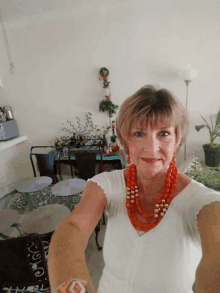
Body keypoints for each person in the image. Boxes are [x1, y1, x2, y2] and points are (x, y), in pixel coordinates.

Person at [48, 85, 220, 293]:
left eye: (163, 133)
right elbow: (72, 229)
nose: (151, 147)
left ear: (177, 140)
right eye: (139, 133)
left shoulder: (202, 201)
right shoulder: (105, 185)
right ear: (125, 142)